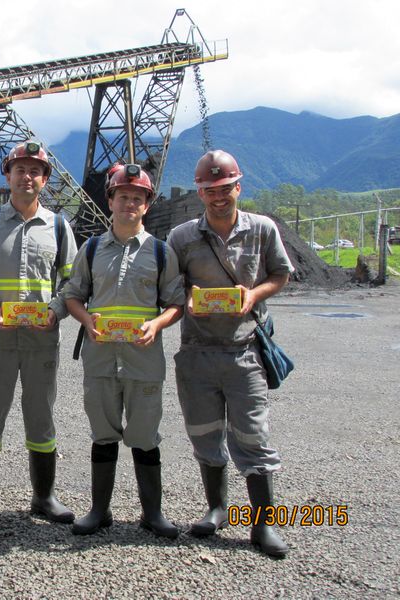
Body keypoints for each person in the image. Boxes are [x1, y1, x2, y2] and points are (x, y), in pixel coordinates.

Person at [166, 150, 293, 558]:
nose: (218, 196)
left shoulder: (262, 229)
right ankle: (217, 508)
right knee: (204, 433)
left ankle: (263, 525)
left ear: (238, 187)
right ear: (200, 193)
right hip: (198, 351)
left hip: (244, 350)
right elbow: (170, 285)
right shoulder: (182, 236)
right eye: (209, 190)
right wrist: (188, 299)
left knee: (253, 435)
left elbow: (280, 274)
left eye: (225, 188)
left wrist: (253, 294)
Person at [0, 140, 78, 528]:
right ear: (8, 175)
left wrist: (56, 311)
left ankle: (43, 498)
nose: (27, 177)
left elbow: (72, 283)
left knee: (41, 416)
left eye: (35, 171)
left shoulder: (58, 227)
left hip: (41, 338)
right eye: (20, 170)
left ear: (45, 180)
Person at [64, 164, 184, 538]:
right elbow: (71, 295)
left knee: (145, 434)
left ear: (146, 205)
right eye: (123, 196)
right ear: (111, 200)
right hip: (100, 359)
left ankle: (153, 514)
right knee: (102, 432)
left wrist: (157, 324)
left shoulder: (161, 253)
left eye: (138, 197)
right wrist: (86, 321)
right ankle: (99, 511)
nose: (130, 203)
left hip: (143, 361)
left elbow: (177, 302)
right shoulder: (93, 248)